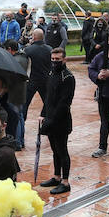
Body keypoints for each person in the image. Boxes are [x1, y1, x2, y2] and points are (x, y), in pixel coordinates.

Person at [39, 47, 75, 194]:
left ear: (64, 60)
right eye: (52, 60)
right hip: (49, 118)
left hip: (61, 120)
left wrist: (51, 119)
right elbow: (48, 97)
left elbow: (64, 102)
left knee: (62, 150)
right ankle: (56, 176)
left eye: (57, 60)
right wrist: (43, 114)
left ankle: (65, 182)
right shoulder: (51, 73)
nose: (54, 62)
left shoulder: (68, 77)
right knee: (54, 150)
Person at [0, 39, 29, 149]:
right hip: (20, 91)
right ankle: (20, 140)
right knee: (20, 117)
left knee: (16, 117)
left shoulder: (16, 60)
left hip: (15, 92)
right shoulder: (23, 57)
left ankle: (17, 142)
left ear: (10, 49)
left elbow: (12, 77)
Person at [22, 28, 53, 127]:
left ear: (34, 37)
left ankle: (21, 124)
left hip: (31, 81)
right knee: (48, 103)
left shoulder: (28, 50)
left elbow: (24, 66)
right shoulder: (49, 49)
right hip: (45, 80)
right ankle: (49, 124)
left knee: (24, 104)